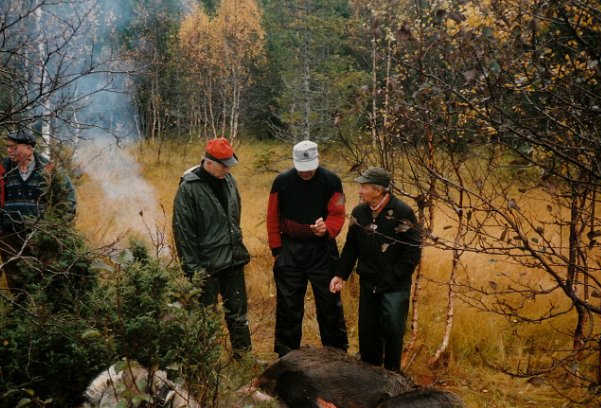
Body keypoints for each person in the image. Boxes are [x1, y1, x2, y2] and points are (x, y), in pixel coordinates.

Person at [329, 167, 421, 372]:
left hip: (395, 286)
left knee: (392, 330)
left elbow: (413, 251)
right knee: (368, 331)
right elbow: (351, 247)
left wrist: (394, 275)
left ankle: (392, 376)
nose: (359, 191)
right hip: (368, 283)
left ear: (378, 191)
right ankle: (370, 376)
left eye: (364, 187)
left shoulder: (403, 212)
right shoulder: (359, 213)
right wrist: (340, 274)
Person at [173, 137, 253, 359]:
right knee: (205, 317)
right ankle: (205, 362)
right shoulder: (188, 189)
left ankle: (244, 358)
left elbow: (234, 217)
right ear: (208, 162)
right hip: (205, 267)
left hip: (234, 259)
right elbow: (183, 233)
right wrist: (193, 270)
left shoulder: (229, 181)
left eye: (229, 165)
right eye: (223, 165)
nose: (227, 170)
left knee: (238, 314)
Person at [267, 140, 348, 358]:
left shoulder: (332, 181)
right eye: (302, 169)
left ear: (317, 161)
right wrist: (277, 250)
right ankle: (286, 356)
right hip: (290, 249)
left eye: (309, 168)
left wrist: (326, 228)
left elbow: (338, 213)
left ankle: (337, 355)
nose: (306, 173)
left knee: (329, 304)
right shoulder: (282, 181)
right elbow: (273, 215)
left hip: (323, 250)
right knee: (288, 306)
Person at [0, 129, 77, 293]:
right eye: (8, 147)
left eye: (13, 147)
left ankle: (42, 313)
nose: (9, 150)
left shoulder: (49, 170)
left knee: (44, 278)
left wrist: (57, 227)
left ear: (29, 148)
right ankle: (21, 312)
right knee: (16, 281)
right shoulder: (0, 170)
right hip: (9, 236)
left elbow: (68, 198)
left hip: (41, 235)